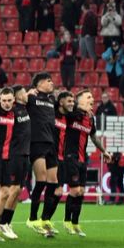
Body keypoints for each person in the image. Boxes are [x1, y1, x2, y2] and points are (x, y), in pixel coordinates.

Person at [60, 91, 108, 237]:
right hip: (70, 157)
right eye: (88, 97)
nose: (92, 99)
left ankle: (76, 223)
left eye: (92, 97)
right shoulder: (72, 114)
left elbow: (93, 137)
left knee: (81, 192)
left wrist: (104, 151)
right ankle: (67, 221)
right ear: (79, 101)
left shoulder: (90, 119)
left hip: (82, 159)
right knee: (74, 191)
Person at [0, 85, 32, 240]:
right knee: (6, 193)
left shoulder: (16, 112)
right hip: (4, 158)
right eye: (4, 100)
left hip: (19, 156)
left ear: (14, 100)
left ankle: (4, 222)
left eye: (9, 100)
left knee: (17, 191)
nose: (6, 103)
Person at [26, 72, 57, 234]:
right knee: (42, 180)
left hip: (51, 143)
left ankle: (44, 220)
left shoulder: (52, 100)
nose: (51, 83)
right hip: (37, 143)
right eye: (48, 81)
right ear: (38, 84)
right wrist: (26, 93)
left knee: (54, 183)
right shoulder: (31, 98)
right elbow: (13, 99)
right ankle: (32, 219)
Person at [39, 91, 74, 233]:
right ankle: (44, 222)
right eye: (69, 101)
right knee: (54, 189)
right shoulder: (51, 113)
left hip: (62, 158)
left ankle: (45, 221)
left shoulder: (70, 117)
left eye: (73, 101)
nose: (72, 104)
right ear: (60, 102)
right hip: (50, 157)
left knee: (58, 192)